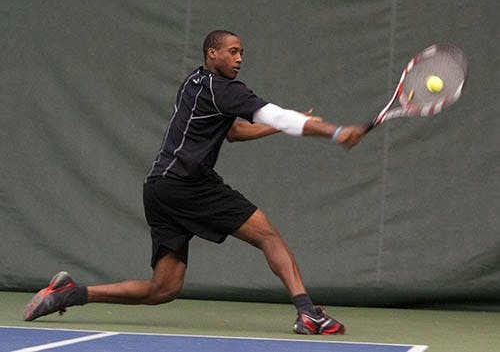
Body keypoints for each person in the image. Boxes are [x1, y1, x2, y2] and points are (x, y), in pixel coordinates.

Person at [24, 30, 366, 335]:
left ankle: (69, 293)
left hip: (159, 187)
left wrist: (283, 125)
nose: (239, 59)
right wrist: (335, 132)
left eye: (242, 53)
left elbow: (233, 131)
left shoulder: (194, 83)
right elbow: (274, 114)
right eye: (232, 51)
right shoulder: (224, 89)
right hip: (187, 183)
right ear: (211, 54)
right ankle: (308, 313)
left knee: (164, 289)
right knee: (267, 235)